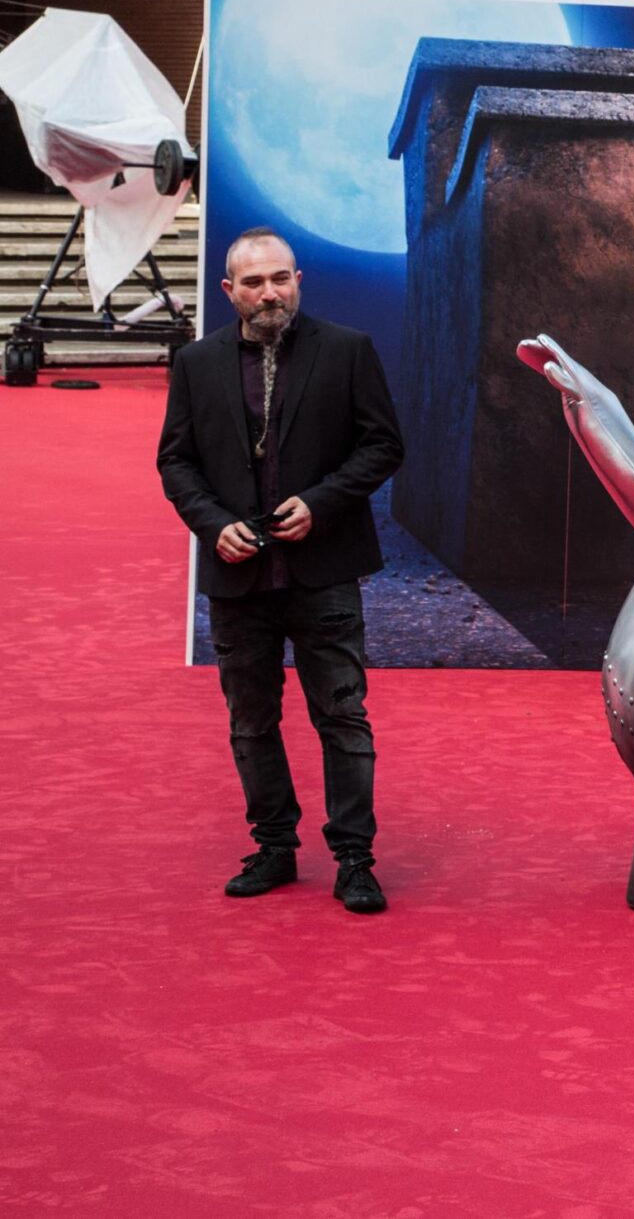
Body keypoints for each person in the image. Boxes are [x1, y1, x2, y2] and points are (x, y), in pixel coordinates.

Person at [158, 228, 404, 913]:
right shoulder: (196, 363)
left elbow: (384, 443)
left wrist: (322, 504)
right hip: (237, 576)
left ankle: (355, 859)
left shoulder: (348, 350)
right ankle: (274, 846)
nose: (269, 292)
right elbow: (174, 460)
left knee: (343, 717)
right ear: (228, 290)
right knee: (250, 721)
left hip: (324, 569)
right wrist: (213, 524)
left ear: (299, 279)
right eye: (254, 281)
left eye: (280, 278)